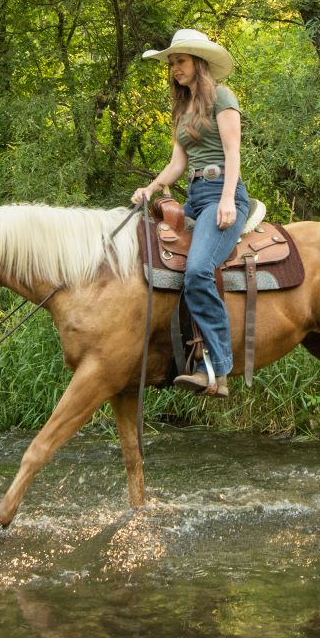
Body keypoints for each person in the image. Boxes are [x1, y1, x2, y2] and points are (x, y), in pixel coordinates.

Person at [131, 28, 248, 397]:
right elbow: (177, 163)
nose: (174, 69)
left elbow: (233, 153)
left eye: (179, 61)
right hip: (195, 195)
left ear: (198, 62)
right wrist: (151, 187)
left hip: (221, 192)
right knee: (175, 266)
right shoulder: (182, 109)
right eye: (171, 63)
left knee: (198, 270)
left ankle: (218, 369)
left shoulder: (223, 98)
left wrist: (228, 199)